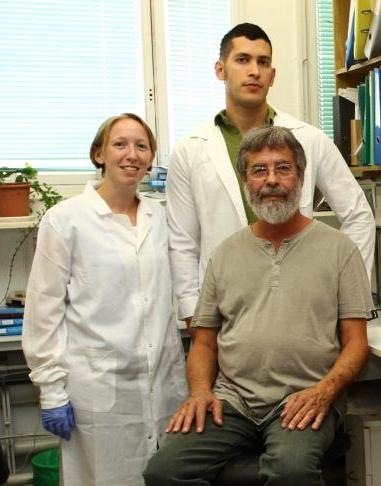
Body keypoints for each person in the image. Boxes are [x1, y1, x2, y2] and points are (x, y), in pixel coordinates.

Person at [144, 126, 374, 486]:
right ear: (245, 180)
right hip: (232, 403)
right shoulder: (225, 254)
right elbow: (204, 342)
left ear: (300, 175)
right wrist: (201, 392)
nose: (271, 180)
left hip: (302, 400)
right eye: (259, 170)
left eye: (282, 168)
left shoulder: (339, 250)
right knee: (164, 471)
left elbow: (356, 342)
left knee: (290, 472)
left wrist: (324, 392)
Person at [166, 23, 375, 334]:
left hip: (302, 305)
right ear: (220, 70)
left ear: (273, 75)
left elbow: (358, 215)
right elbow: (182, 241)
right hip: (226, 310)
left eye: (263, 62)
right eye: (243, 60)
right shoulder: (190, 150)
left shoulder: (309, 139)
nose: (254, 71)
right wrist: (192, 314)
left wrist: (348, 296)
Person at [22, 113, 187, 486]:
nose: (132, 155)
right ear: (99, 154)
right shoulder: (65, 220)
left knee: (164, 475)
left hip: (163, 385)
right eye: (120, 144)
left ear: (151, 158)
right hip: (97, 389)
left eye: (142, 146)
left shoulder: (159, 217)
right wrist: (50, 389)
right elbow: (43, 311)